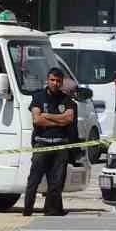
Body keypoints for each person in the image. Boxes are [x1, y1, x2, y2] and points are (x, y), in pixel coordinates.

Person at [24, 67, 76, 217]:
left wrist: (47, 116)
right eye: (52, 80)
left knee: (57, 182)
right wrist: (59, 121)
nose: (55, 83)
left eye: (58, 81)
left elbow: (69, 119)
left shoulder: (66, 99)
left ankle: (52, 210)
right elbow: (37, 119)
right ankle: (27, 210)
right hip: (42, 143)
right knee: (34, 180)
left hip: (60, 145)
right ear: (47, 80)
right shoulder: (38, 97)